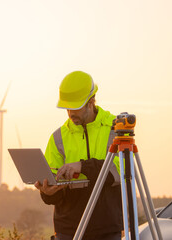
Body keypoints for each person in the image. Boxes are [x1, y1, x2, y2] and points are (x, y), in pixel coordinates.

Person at [35, 71, 123, 240]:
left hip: (106, 229)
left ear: (91, 102)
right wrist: (48, 192)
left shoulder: (115, 128)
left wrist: (82, 166)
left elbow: (122, 172)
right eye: (67, 108)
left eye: (75, 107)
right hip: (68, 230)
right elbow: (54, 192)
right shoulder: (58, 137)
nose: (70, 113)